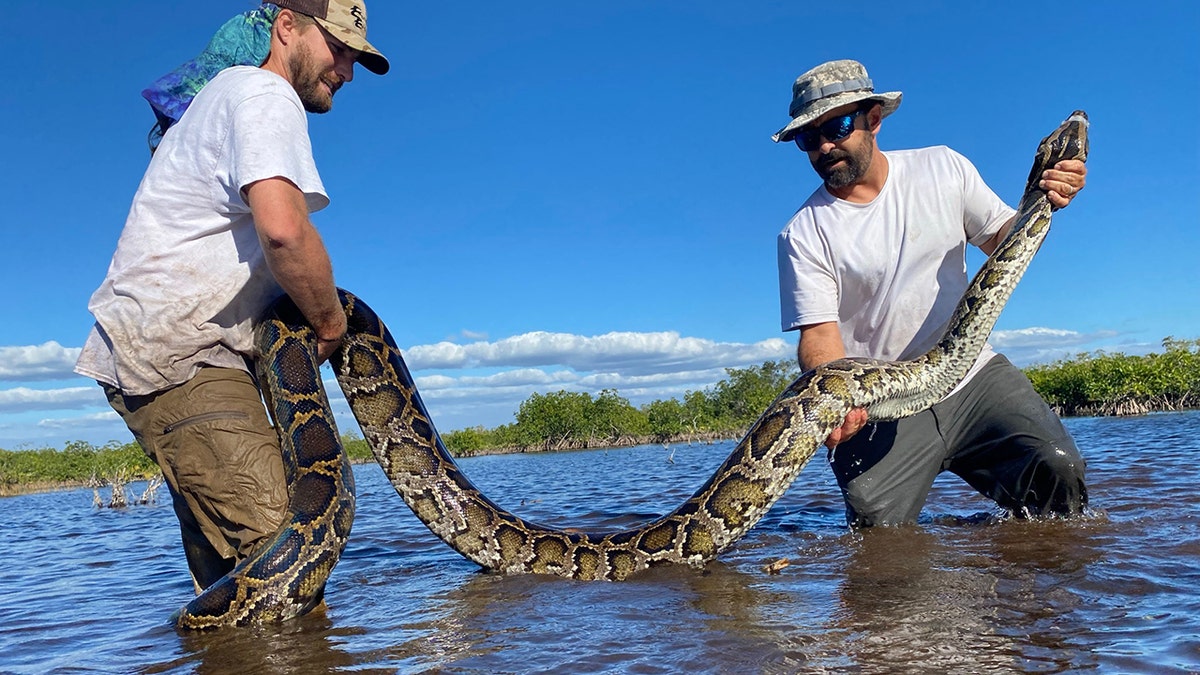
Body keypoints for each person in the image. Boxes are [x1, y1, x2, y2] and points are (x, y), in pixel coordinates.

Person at [74, 1, 389, 592]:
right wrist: (327, 325)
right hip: (187, 356)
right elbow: (284, 230)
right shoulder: (264, 95)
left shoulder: (224, 98)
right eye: (338, 48)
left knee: (231, 582)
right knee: (287, 550)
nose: (345, 70)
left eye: (355, 57)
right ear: (287, 27)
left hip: (170, 348)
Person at [772, 60, 1088, 527]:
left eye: (836, 127)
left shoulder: (943, 166)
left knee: (1058, 472)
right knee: (877, 537)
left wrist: (1047, 198)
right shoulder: (801, 233)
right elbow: (819, 336)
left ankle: (1036, 592)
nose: (823, 146)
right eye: (807, 138)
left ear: (873, 119)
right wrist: (838, 398)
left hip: (971, 376)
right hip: (878, 402)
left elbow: (1005, 241)